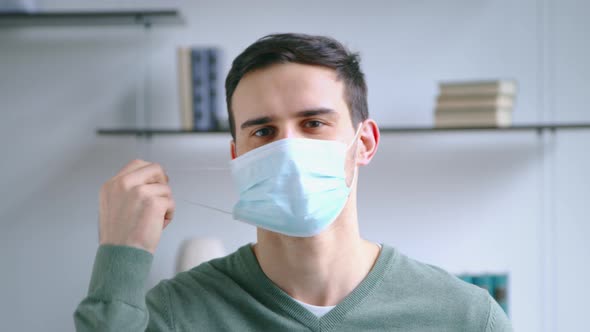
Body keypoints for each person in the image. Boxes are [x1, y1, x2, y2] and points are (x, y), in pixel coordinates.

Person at [74, 33, 512, 331]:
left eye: (314, 123)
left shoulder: (465, 317)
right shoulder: (177, 312)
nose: (288, 149)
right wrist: (120, 259)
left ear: (365, 143)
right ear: (237, 156)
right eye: (262, 132)